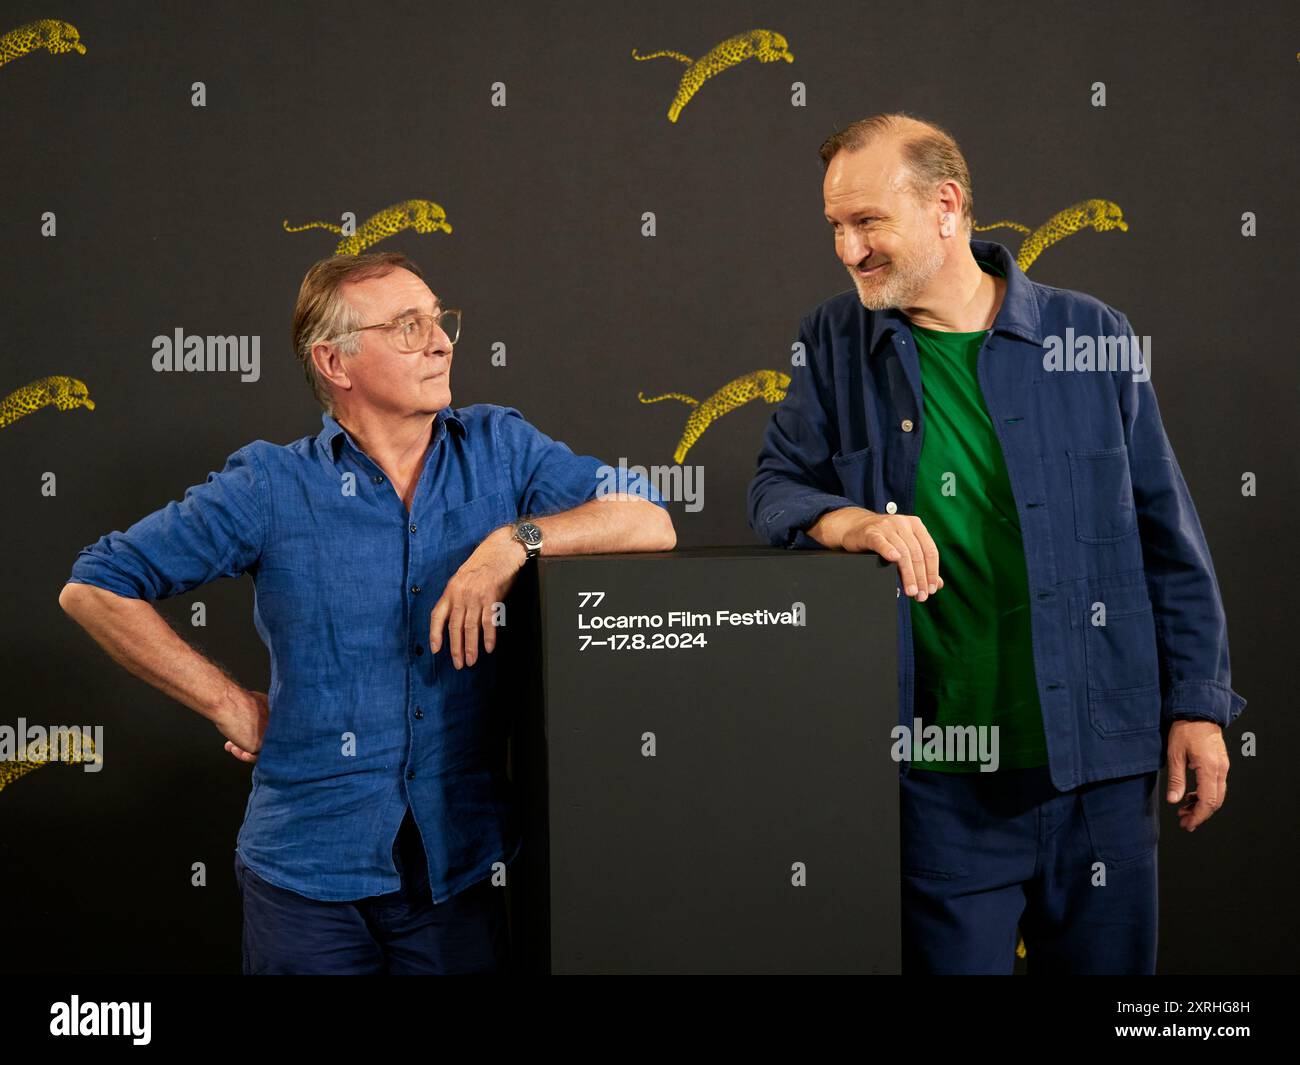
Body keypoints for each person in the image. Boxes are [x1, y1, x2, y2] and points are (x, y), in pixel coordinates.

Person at [59, 251, 676, 974]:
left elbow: (648, 518)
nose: (442, 341)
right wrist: (224, 700)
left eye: (440, 321)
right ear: (335, 362)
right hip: (306, 880)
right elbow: (96, 585)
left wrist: (515, 540)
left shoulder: (501, 448)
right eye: (408, 327)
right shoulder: (270, 483)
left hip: (458, 874)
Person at [747, 112, 1245, 974]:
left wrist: (1199, 704)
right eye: (835, 226)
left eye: (867, 222)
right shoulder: (834, 340)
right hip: (942, 782)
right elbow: (772, 488)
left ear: (946, 207)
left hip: (1101, 771)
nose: (848, 249)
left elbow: (1169, 540)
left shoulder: (1090, 334)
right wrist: (851, 521)